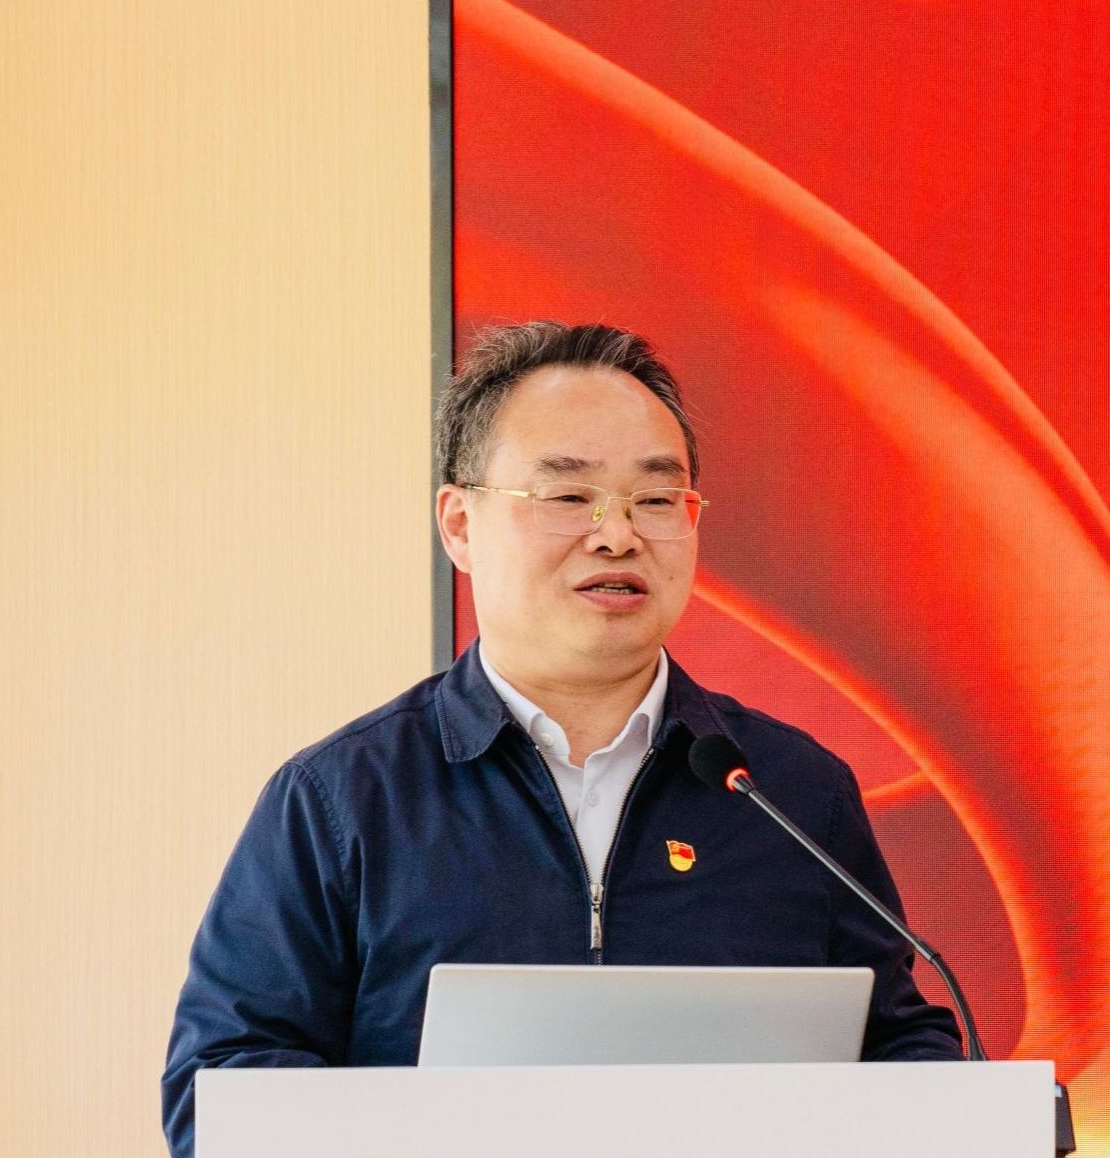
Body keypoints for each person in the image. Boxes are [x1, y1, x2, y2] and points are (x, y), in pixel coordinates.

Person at [161, 321, 961, 1156]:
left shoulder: (790, 792)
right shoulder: (343, 800)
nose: (618, 534)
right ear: (459, 525)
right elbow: (220, 1088)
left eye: (657, 500)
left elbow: (900, 1047)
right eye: (569, 496)